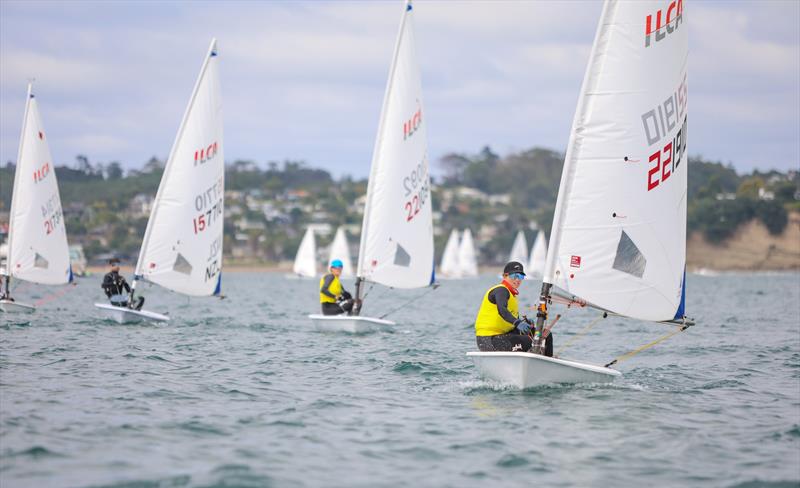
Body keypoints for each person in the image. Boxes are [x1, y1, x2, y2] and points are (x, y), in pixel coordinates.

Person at [474, 261, 554, 356]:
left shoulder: (512, 295)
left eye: (521, 277)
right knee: (531, 341)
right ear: (505, 276)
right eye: (514, 276)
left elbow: (509, 319)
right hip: (488, 340)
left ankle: (548, 362)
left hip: (503, 335)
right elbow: (502, 310)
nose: (518, 280)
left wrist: (524, 323)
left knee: (545, 334)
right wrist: (517, 323)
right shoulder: (501, 290)